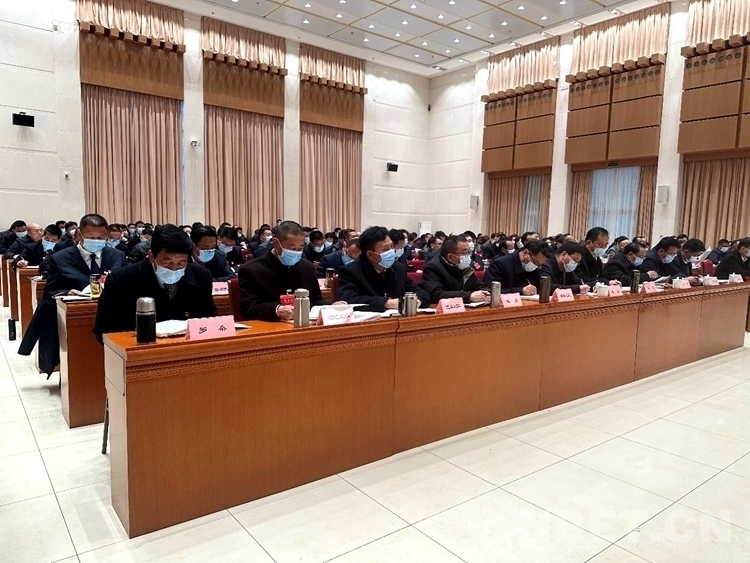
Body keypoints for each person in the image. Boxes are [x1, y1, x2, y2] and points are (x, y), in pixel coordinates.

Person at [18, 214, 127, 376]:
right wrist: (66, 292)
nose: (96, 241)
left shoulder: (117, 255)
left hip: (110, 319)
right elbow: (49, 292)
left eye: (101, 238)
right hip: (76, 320)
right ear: (79, 234)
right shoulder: (60, 258)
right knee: (81, 368)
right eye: (91, 237)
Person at [93, 224, 217, 342]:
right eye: (167, 262)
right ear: (152, 256)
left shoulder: (201, 276)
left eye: (181, 263)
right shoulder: (121, 280)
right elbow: (104, 331)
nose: (174, 268)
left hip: (187, 349)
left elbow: (209, 320)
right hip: (139, 349)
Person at [238, 221, 325, 321]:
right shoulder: (251, 270)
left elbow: (315, 301)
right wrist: (276, 310)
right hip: (269, 326)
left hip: (304, 325)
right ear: (275, 243)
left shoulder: (307, 267)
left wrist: (332, 306)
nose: (295, 253)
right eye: (292, 249)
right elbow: (248, 309)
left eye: (300, 249)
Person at [338, 226, 429, 312]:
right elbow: (349, 300)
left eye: (392, 247)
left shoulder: (398, 268)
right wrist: (386, 303)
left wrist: (418, 301)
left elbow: (420, 292)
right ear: (370, 255)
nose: (392, 252)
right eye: (385, 249)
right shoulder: (350, 271)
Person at [420, 235, 489, 304]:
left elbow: (476, 284)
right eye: (464, 253)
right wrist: (468, 296)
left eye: (469, 253)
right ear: (450, 257)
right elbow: (436, 294)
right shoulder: (433, 267)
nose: (468, 257)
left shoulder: (463, 265)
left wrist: (487, 292)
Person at [484, 240, 549, 295]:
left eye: (539, 265)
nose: (536, 266)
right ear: (525, 253)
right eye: (535, 262)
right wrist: (521, 291)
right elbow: (490, 290)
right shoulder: (500, 264)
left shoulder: (533, 268)